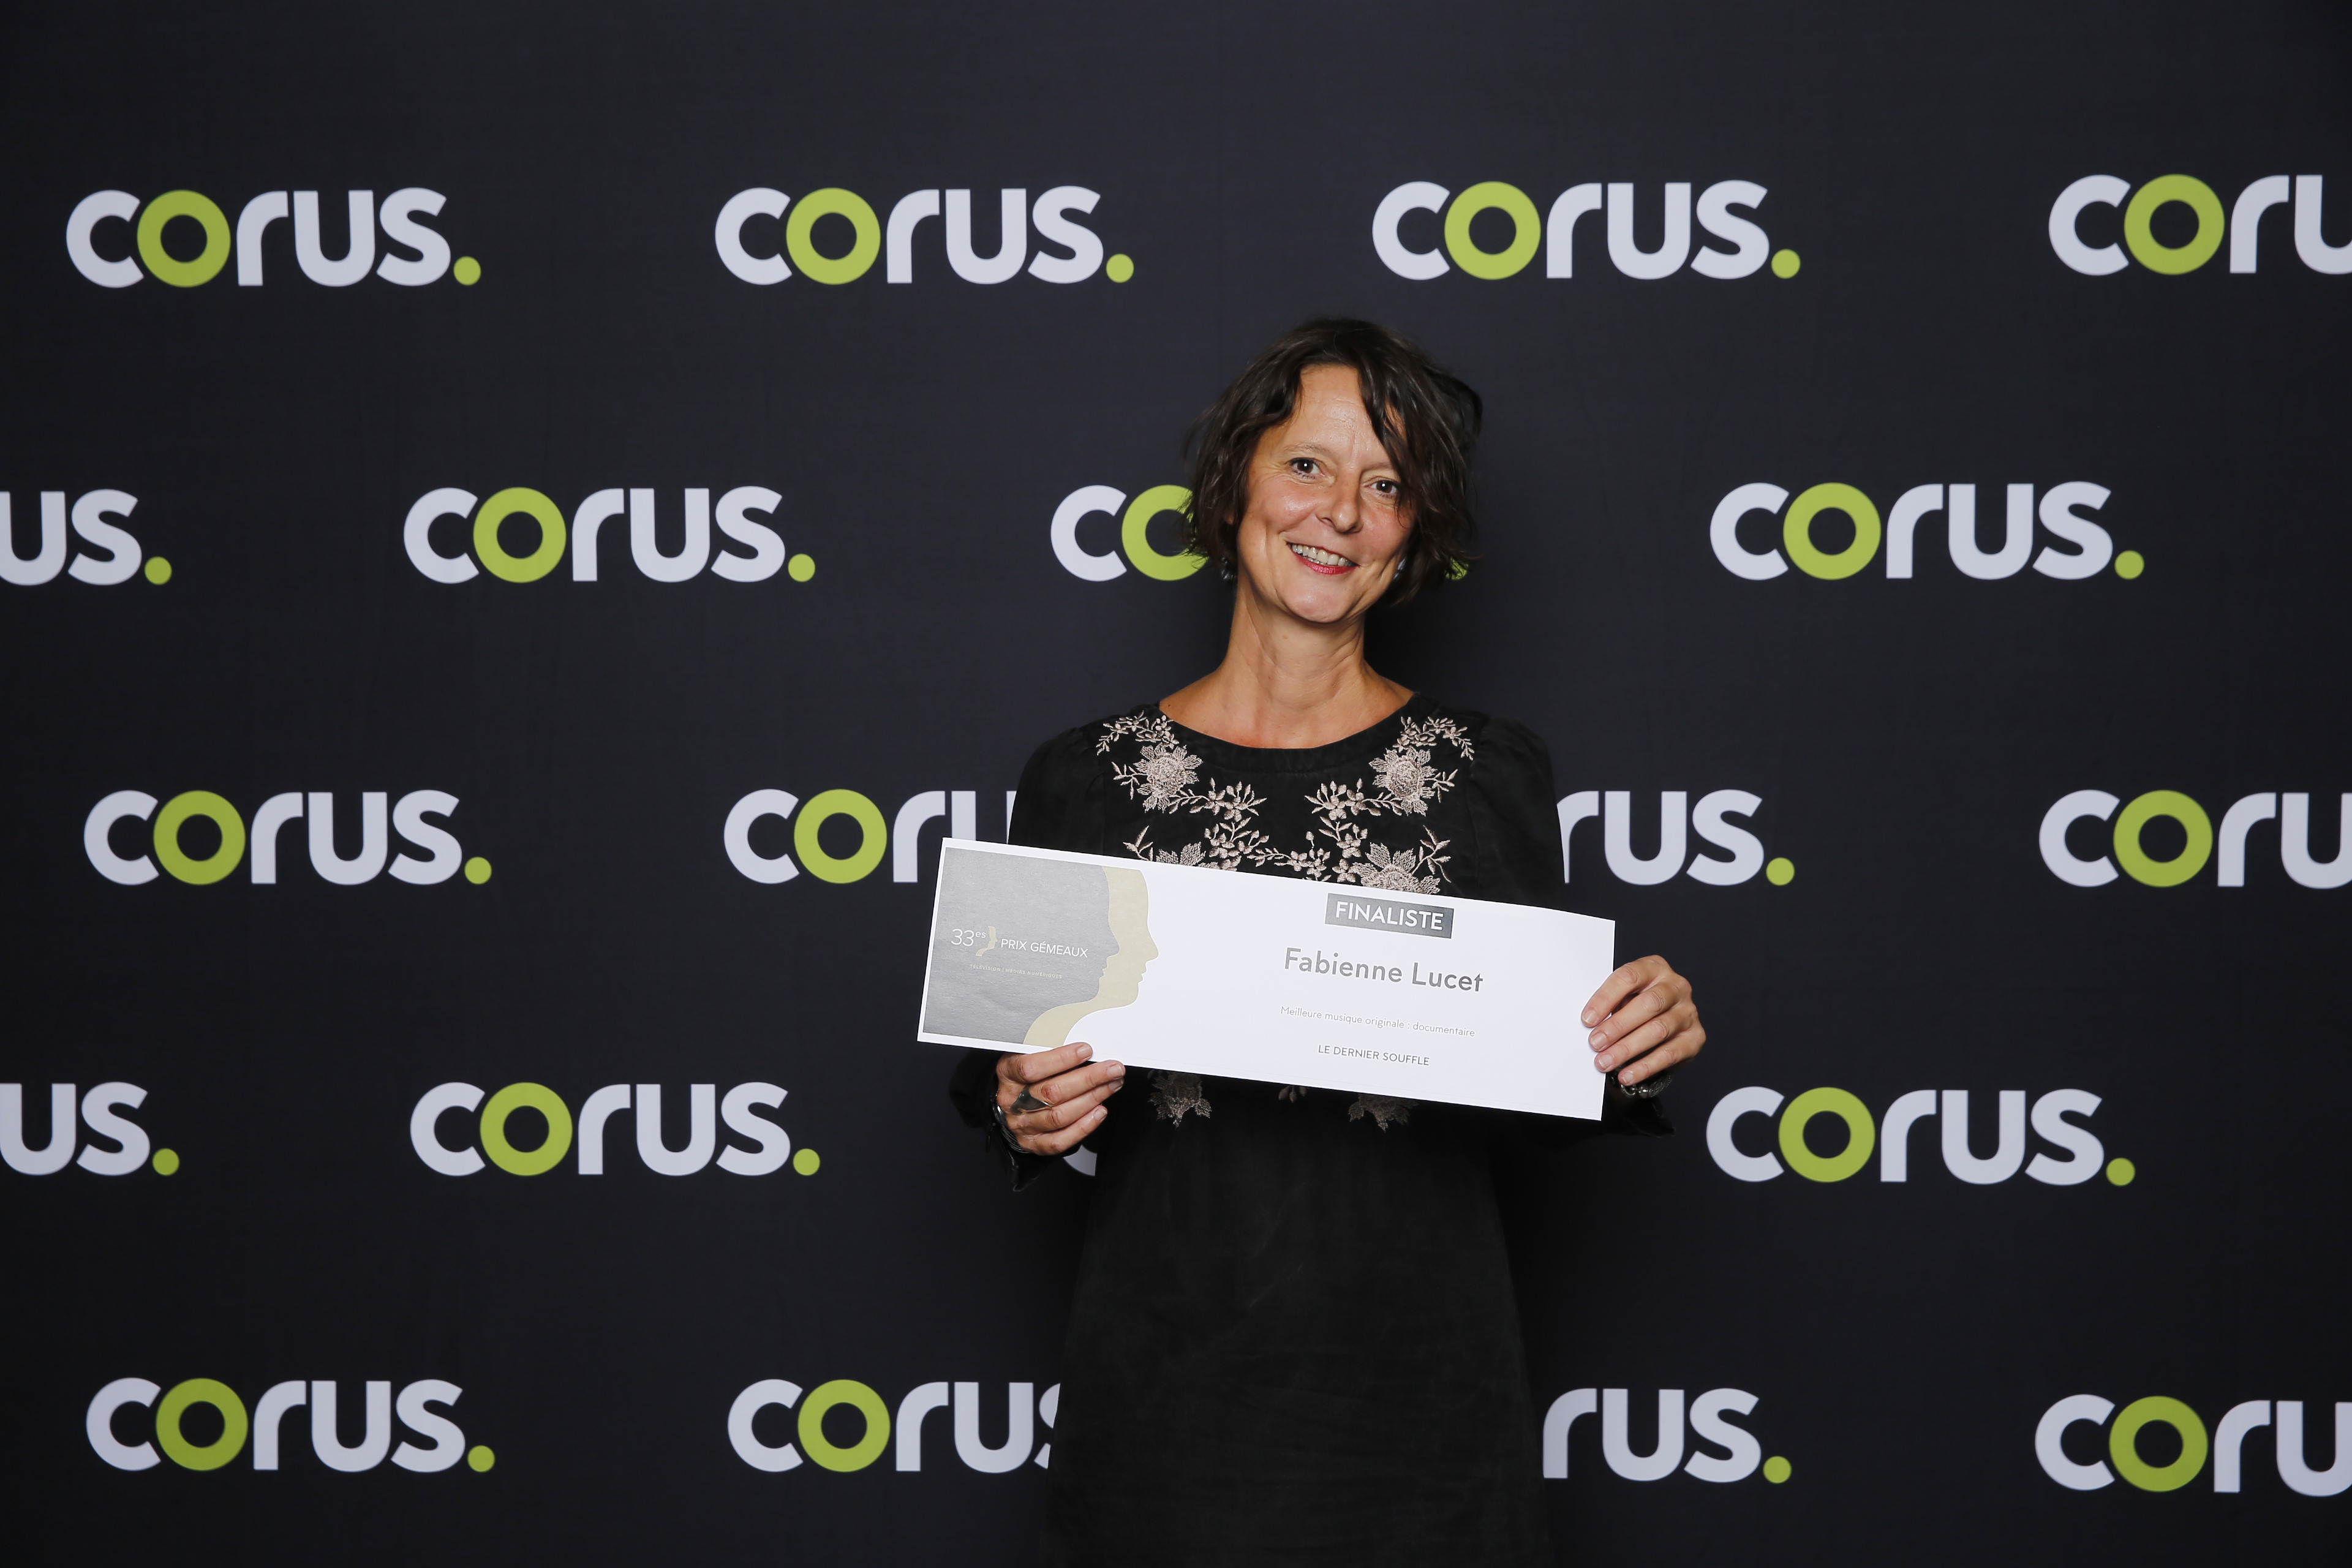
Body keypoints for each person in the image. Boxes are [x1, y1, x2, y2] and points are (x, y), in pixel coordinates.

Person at [947, 318, 1706, 1566]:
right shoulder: (1080, 779)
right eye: (1308, 464)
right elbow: (999, 1083)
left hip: (1423, 1421)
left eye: (1388, 484)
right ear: (1235, 481)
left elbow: (1554, 1077)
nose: (1342, 512)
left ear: (1416, 533)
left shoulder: (1487, 774)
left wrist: (1634, 1042)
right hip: (1163, 1414)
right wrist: (1021, 1105)